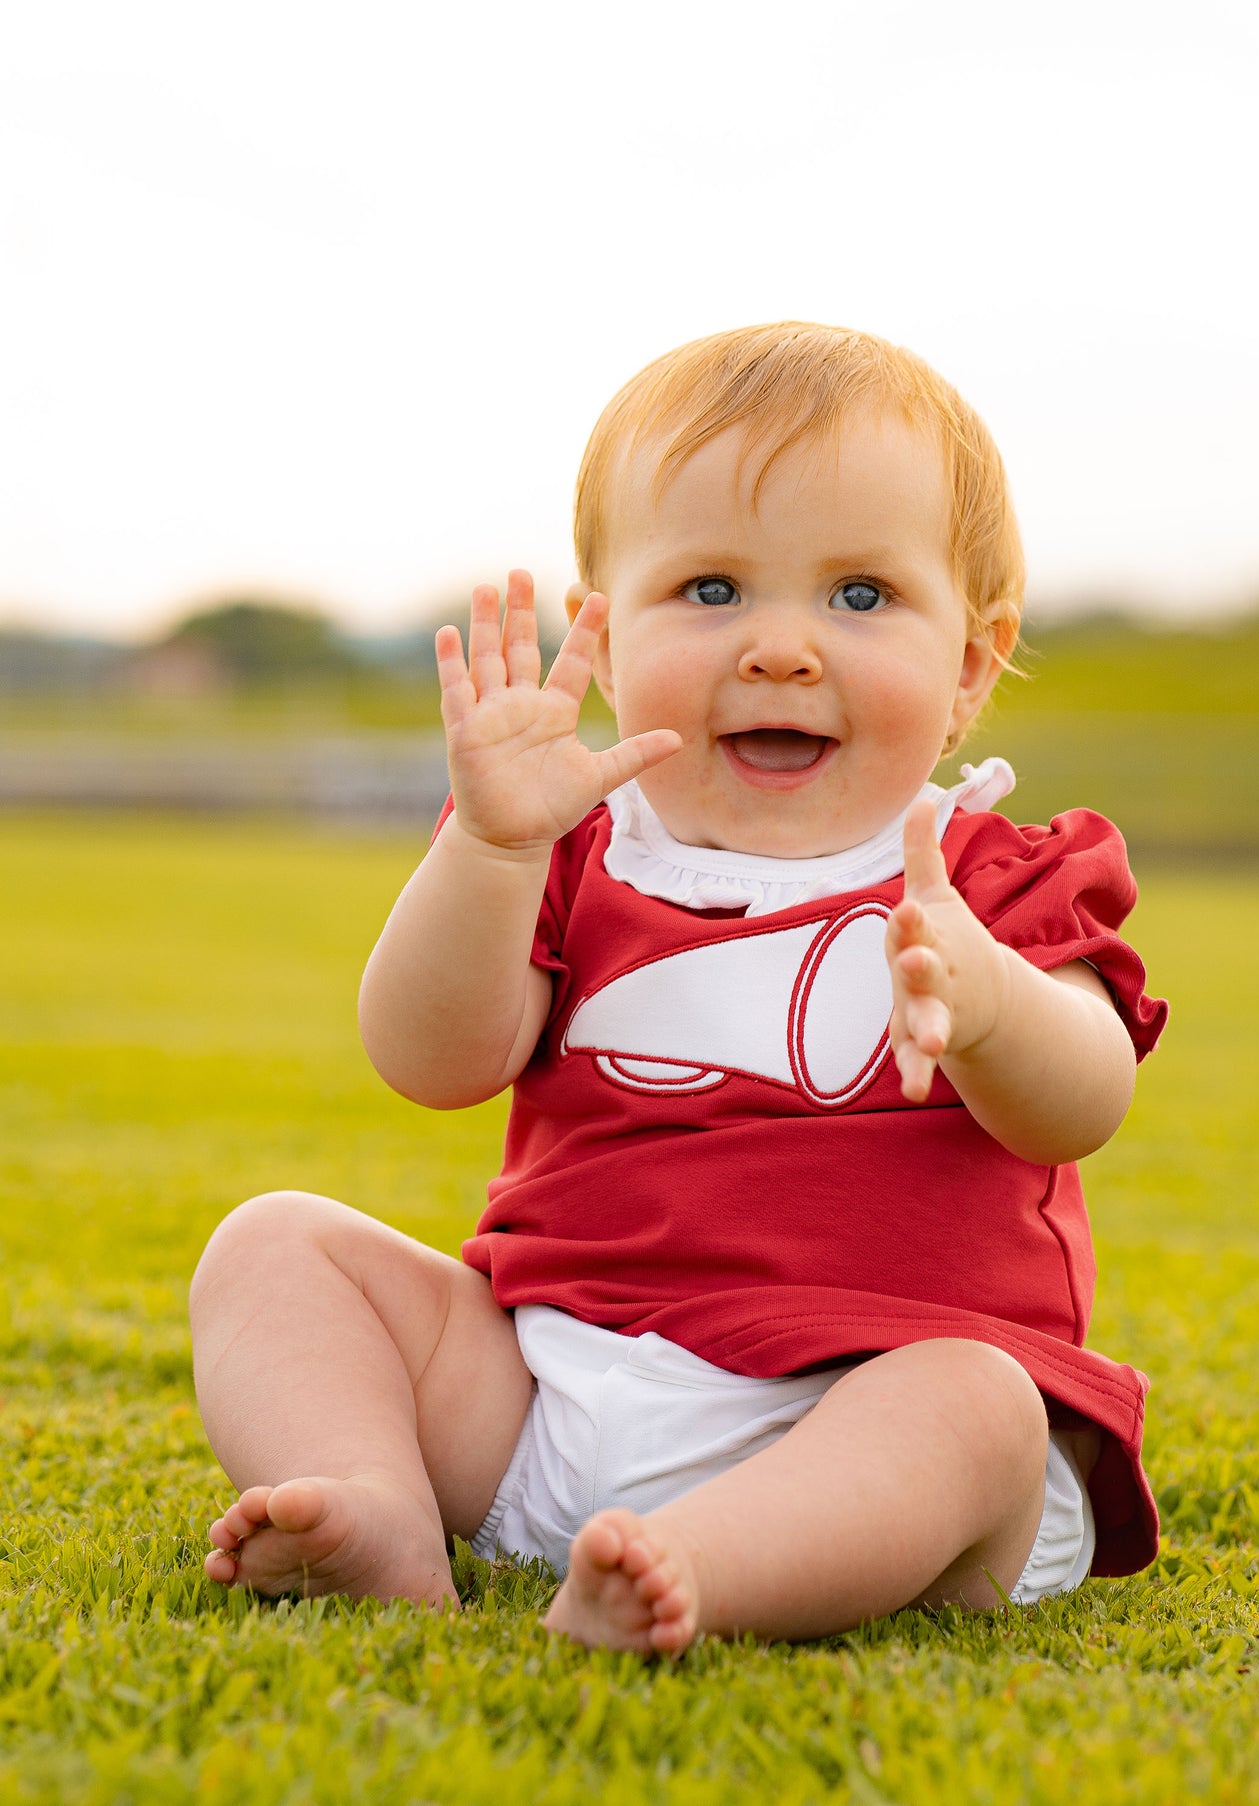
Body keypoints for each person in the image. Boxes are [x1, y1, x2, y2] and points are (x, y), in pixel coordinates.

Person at [191, 321, 1167, 1654]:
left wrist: (991, 1003)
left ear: (969, 669)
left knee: (977, 1405)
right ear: (603, 624)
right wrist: (487, 843)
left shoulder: (982, 874)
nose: (777, 647)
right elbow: (429, 1057)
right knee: (274, 1244)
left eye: (860, 596)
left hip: (857, 1421)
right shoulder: (570, 843)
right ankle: (379, 1504)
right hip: (549, 1391)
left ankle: (696, 1564)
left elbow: (1082, 1099)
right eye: (709, 590)